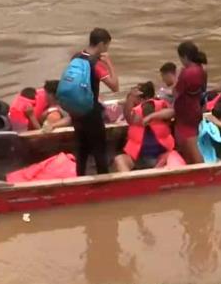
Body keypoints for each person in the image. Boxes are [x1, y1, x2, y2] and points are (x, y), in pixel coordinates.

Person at [70, 28, 120, 175]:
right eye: (107, 46)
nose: (106, 50)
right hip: (91, 112)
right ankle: (103, 181)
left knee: (81, 148)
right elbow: (115, 86)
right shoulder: (95, 63)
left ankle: (80, 178)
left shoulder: (76, 57)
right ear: (101, 44)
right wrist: (109, 63)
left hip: (76, 110)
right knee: (99, 149)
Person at [113, 82, 176, 172]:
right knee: (119, 160)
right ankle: (130, 184)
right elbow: (129, 118)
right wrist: (130, 99)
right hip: (138, 156)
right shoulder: (136, 113)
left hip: (160, 156)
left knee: (171, 157)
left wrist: (151, 116)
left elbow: (172, 112)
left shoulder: (160, 106)